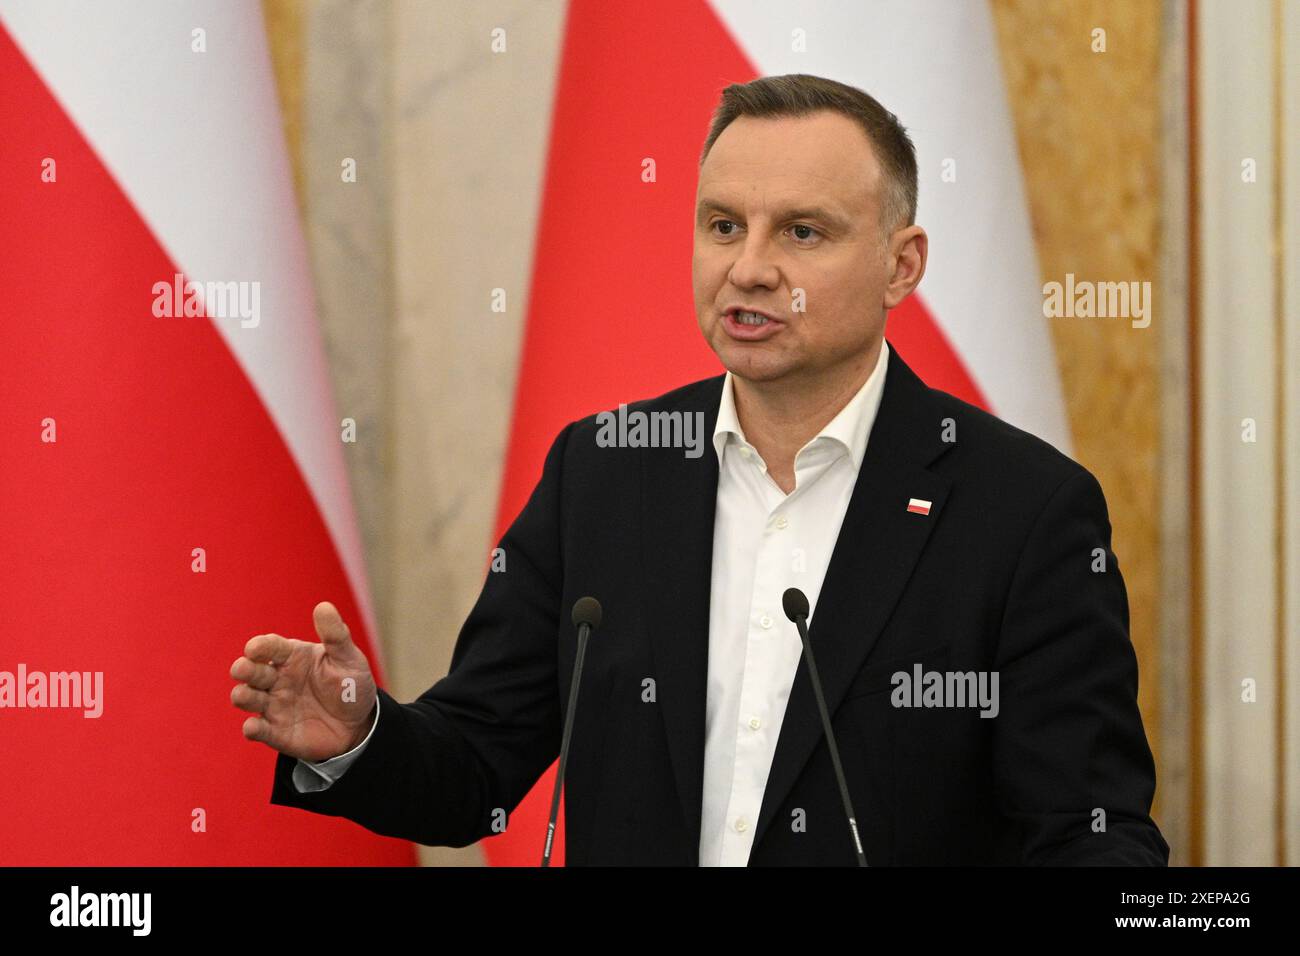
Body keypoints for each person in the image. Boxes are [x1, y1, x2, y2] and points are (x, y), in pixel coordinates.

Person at [231, 74, 1169, 866]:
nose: (749, 268)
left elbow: (1089, 839)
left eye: (802, 232)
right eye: (724, 225)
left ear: (901, 264)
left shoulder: (1021, 512)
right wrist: (363, 736)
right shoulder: (602, 473)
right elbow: (474, 771)